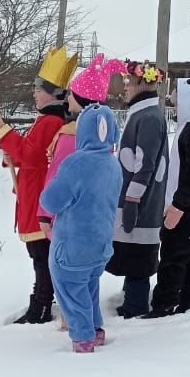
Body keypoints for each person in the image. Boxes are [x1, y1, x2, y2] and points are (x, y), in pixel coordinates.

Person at [0, 46, 79, 325]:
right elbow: (29, 153)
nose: (34, 93)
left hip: (41, 197)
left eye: (38, 89)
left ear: (53, 93)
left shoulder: (51, 121)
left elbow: (31, 154)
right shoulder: (47, 119)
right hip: (34, 192)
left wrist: (4, 131)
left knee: (41, 256)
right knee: (39, 255)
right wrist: (11, 155)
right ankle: (41, 300)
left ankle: (41, 305)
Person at [39, 104, 124, 352]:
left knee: (70, 290)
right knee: (88, 286)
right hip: (101, 245)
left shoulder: (75, 164)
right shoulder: (113, 164)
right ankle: (95, 329)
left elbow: (51, 201)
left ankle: (83, 338)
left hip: (73, 247)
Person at [145, 77, 190, 318]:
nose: (175, 107)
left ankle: (164, 304)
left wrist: (178, 205)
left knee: (174, 256)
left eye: (178, 102)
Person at [37, 53, 125, 241]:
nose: (67, 98)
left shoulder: (71, 136)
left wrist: (45, 213)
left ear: (80, 98)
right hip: (97, 222)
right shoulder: (104, 136)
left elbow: (57, 175)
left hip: (71, 221)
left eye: (71, 94)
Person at [107, 60, 169, 318]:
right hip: (134, 200)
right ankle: (131, 297)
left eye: (129, 83)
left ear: (143, 83)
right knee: (131, 252)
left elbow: (145, 165)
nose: (125, 88)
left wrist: (132, 201)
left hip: (142, 203)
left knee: (137, 256)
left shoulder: (149, 118)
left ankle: (135, 304)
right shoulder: (142, 114)